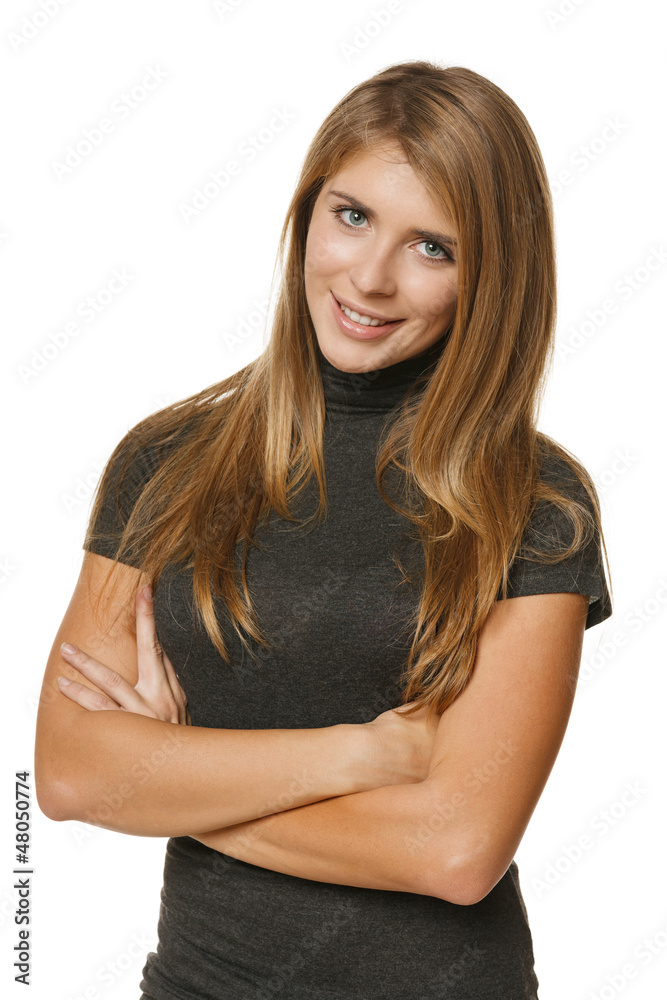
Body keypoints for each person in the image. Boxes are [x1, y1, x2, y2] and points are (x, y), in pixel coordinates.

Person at [35, 60, 613, 999]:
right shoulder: (167, 463)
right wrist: (365, 754)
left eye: (434, 247)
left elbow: (456, 850)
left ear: (490, 277)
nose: (371, 278)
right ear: (307, 211)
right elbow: (66, 773)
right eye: (351, 216)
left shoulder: (534, 504)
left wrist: (168, 784)